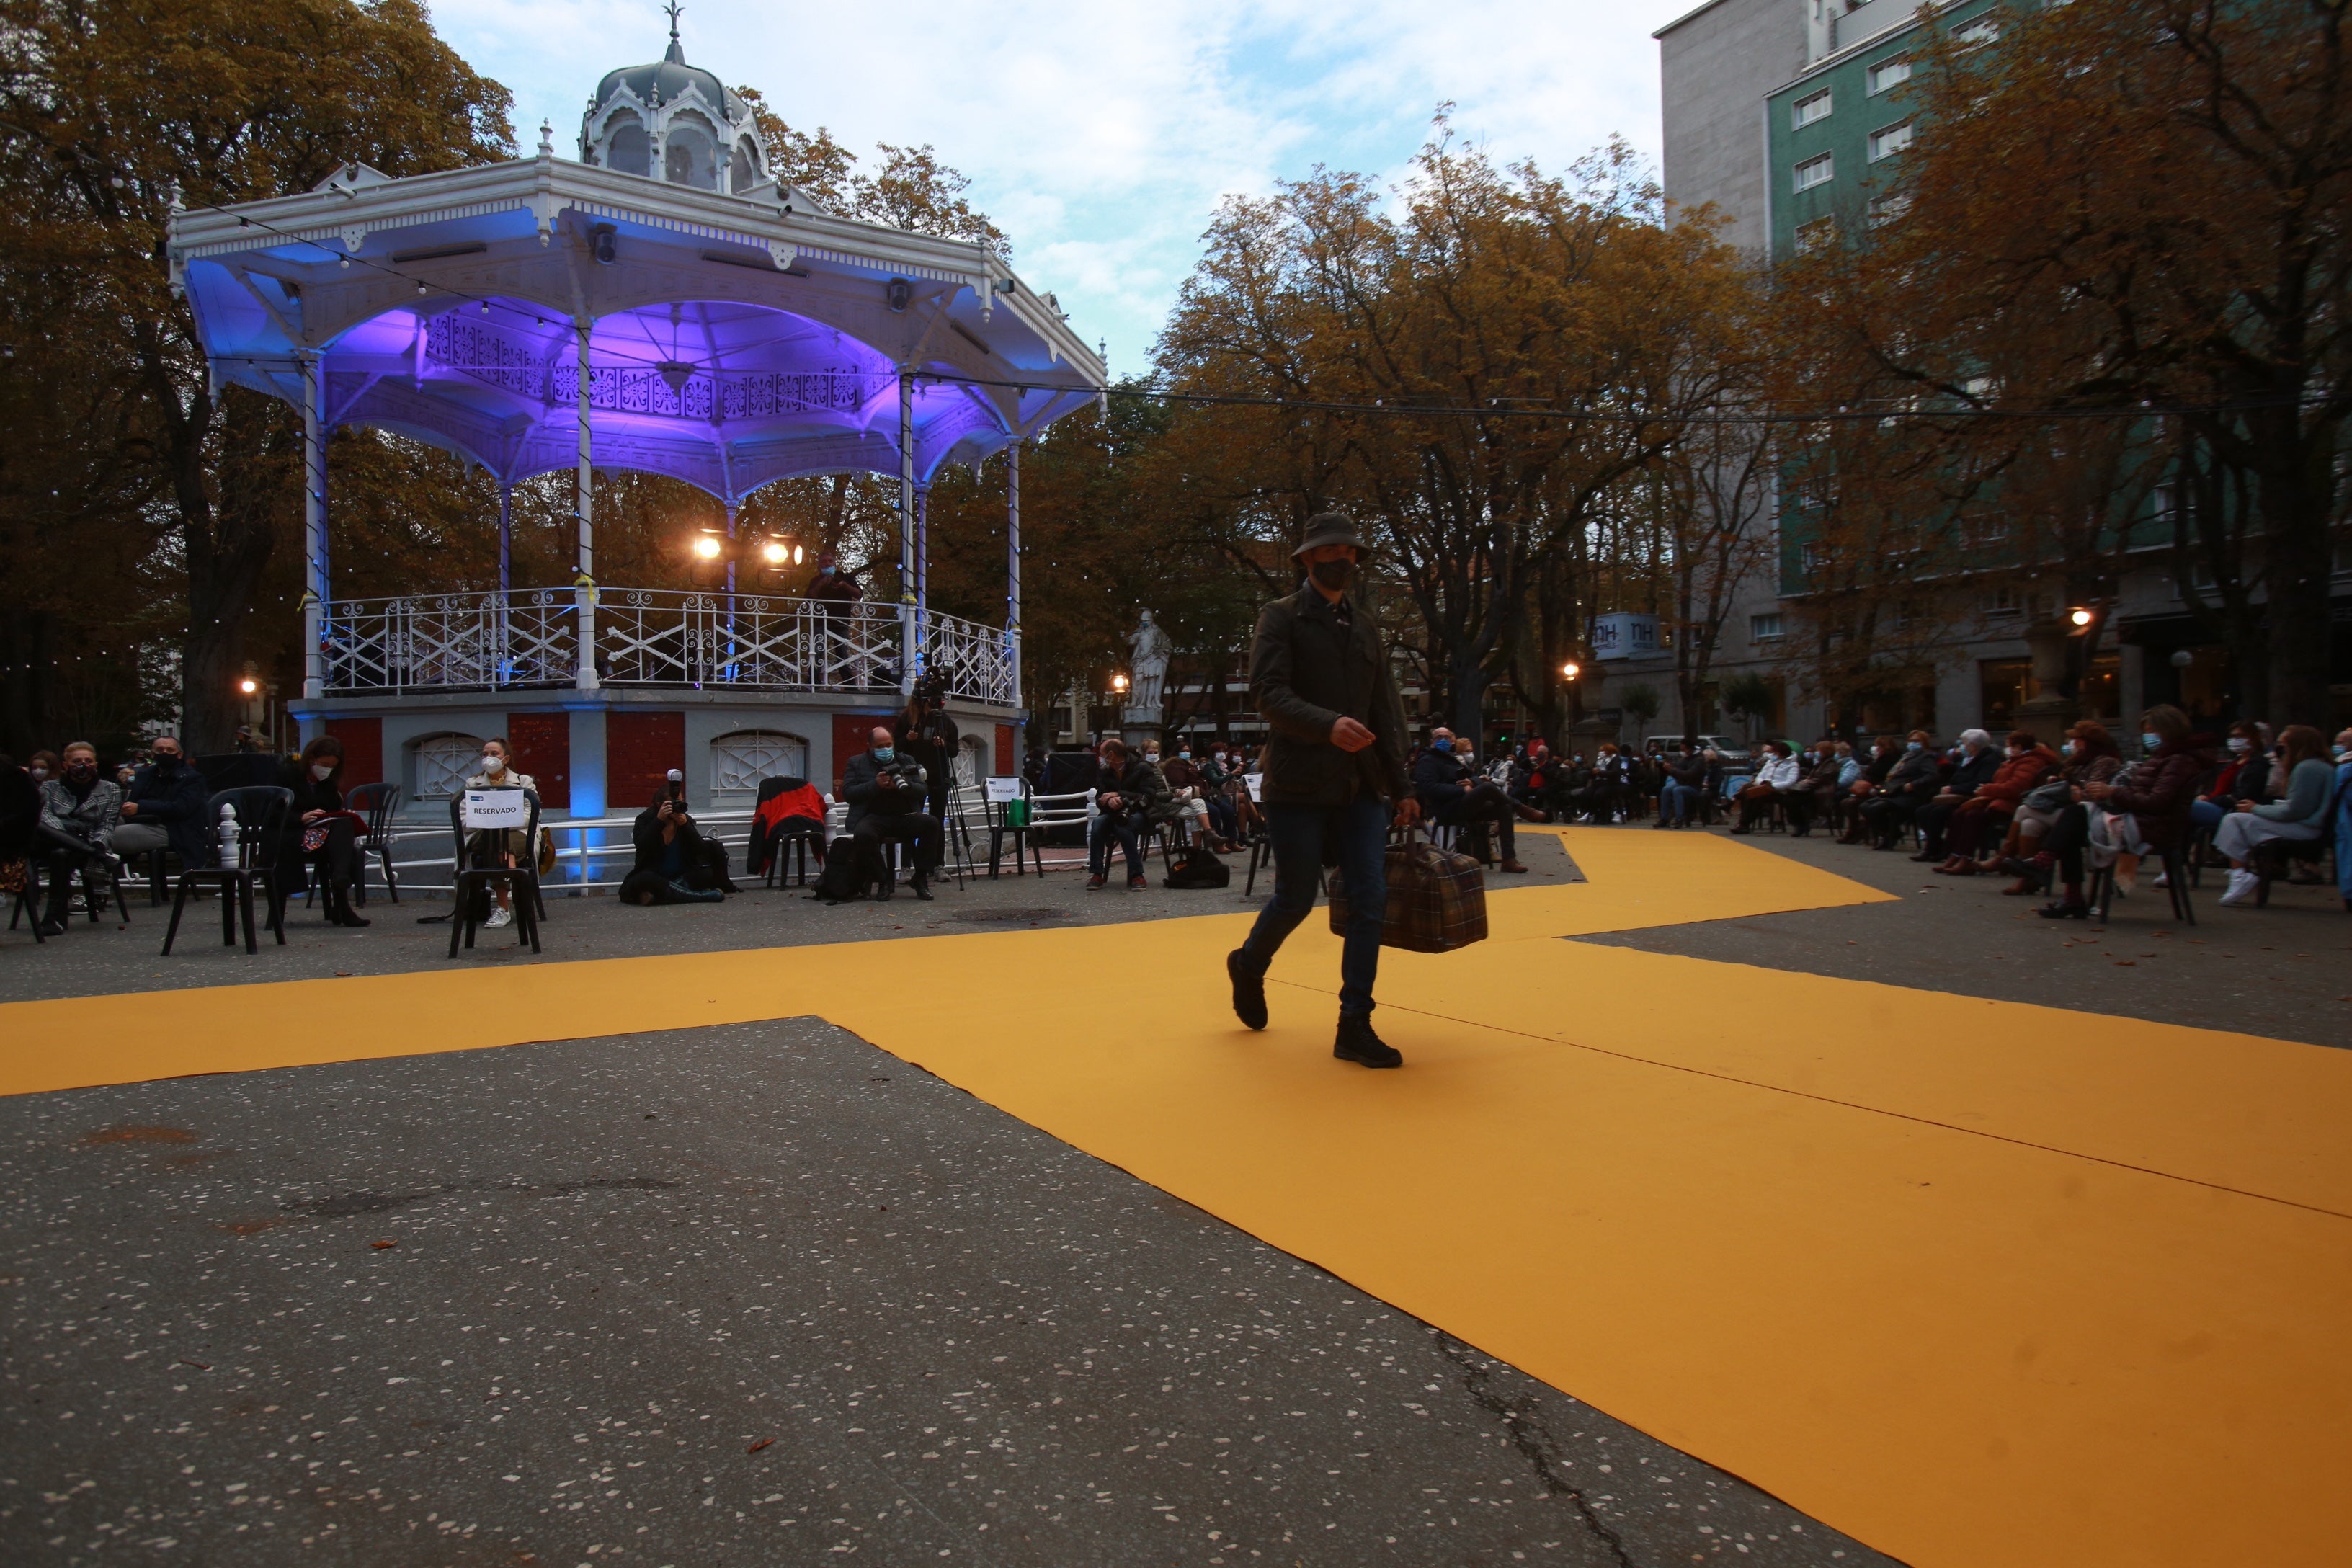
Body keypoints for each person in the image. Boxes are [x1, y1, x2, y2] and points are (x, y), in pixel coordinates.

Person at [1226, 512, 1420, 1068]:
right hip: (1296, 782)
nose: (1343, 559)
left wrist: (1402, 784)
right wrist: (1327, 724)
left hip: (1359, 786)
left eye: (1350, 551)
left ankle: (1354, 1022)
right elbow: (1267, 693)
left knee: (1369, 897)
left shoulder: (1365, 628)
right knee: (1296, 899)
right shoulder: (1280, 617)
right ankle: (1248, 964)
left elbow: (1384, 708)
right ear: (1307, 559)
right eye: (1330, 550)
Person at [2036, 705, 2205, 918]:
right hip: (2139, 817)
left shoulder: (2179, 761)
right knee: (2073, 820)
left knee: (2074, 816)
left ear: (2168, 729)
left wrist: (2113, 793)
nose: (2148, 736)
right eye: (2146, 731)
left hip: (2153, 825)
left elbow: (2158, 802)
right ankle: (2065, 887)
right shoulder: (2161, 757)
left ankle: (2049, 868)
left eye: (2152, 730)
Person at [2213, 725, 2335, 906]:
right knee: (2236, 820)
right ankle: (2238, 874)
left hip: (2306, 828)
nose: (2279, 748)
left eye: (2283, 744)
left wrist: (2256, 809)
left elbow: (2296, 811)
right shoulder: (2317, 766)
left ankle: (2238, 875)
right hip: (2307, 825)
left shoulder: (2307, 768)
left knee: (2234, 819)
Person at [1996, 721, 2122, 894]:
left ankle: (2004, 857)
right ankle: (2027, 878)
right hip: (2068, 810)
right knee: (2029, 824)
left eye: (2075, 740)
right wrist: (2060, 783)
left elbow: (2091, 794)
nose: (2072, 744)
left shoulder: (2105, 763)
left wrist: (2073, 789)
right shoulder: (2079, 762)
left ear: (2085, 742)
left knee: (2024, 810)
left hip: (2087, 815)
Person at [276, 736, 370, 927]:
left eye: (332, 767)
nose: (327, 770)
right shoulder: (287, 776)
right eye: (324, 764)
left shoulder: (327, 783)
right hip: (291, 833)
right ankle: (342, 898)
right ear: (312, 759)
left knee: (343, 824)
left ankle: (340, 880)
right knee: (344, 845)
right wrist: (301, 817)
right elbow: (273, 812)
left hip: (320, 835)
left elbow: (331, 809)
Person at [1932, 730, 2055, 874]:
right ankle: (1955, 856)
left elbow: (2015, 788)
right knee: (1960, 813)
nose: (2007, 749)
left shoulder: (2030, 762)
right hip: (1998, 800)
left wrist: (1987, 789)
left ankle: (1966, 859)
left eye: (2009, 745)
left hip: (2011, 804)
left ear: (2018, 747)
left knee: (1973, 816)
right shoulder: (2014, 761)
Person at [33, 740, 122, 935]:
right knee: (45, 833)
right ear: (65, 766)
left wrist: (97, 845)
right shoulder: (49, 788)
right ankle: (100, 857)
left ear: (96, 765)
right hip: (49, 842)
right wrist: (68, 835)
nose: (83, 765)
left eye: (88, 761)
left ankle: (53, 918)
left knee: (62, 853)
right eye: (77, 761)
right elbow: (46, 818)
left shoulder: (110, 789)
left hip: (88, 844)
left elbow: (107, 824)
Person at [842, 726, 939, 899]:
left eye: (888, 744)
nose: (885, 749)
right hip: (873, 817)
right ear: (870, 746)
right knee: (863, 834)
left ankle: (920, 878)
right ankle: (883, 879)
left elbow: (923, 790)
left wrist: (904, 787)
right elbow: (849, 793)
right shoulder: (856, 763)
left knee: (931, 823)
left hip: (904, 817)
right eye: (880, 747)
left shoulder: (907, 760)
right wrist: (875, 785)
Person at [1413, 732, 1528, 873]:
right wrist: (1460, 790)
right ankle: (1521, 808)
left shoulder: (1453, 759)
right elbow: (1429, 788)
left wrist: (1471, 782)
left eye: (1447, 737)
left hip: (1465, 805)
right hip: (1447, 808)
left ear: (1453, 742)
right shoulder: (1427, 761)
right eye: (1439, 737)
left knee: (1504, 808)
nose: (1443, 740)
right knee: (1487, 787)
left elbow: (1475, 777)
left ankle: (1509, 859)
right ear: (1432, 741)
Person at [462, 738, 539, 930]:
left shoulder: (523, 781)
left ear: (505, 759)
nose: (488, 758)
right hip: (481, 837)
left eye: (494, 754)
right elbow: (464, 818)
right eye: (485, 754)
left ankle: (503, 907)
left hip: (519, 836)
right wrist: (493, 823)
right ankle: (510, 878)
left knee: (501, 840)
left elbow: (532, 813)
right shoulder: (472, 784)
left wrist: (503, 823)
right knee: (496, 839)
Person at [623, 770, 729, 905]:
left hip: (681, 875)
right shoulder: (645, 820)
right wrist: (659, 821)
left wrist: (685, 826)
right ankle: (700, 896)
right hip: (654, 875)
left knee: (705, 873)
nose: (675, 807)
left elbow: (700, 849)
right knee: (644, 879)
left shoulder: (684, 821)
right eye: (671, 804)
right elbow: (642, 845)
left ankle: (661, 896)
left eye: (679, 803)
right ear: (659, 805)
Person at [113, 734, 215, 876]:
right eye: (160, 750)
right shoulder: (145, 775)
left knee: (105, 837)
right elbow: (133, 800)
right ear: (152, 754)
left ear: (179, 755)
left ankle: (99, 883)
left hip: (173, 828)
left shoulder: (192, 779)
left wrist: (141, 807)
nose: (165, 753)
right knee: (102, 826)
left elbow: (182, 808)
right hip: (141, 820)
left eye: (170, 750)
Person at [1086, 736, 1170, 888]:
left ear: (1111, 755)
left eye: (1102, 753)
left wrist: (1120, 796)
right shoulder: (1105, 771)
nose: (1100, 757)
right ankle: (1097, 874)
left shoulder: (1142, 767)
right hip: (1113, 812)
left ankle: (1137, 875)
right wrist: (1108, 801)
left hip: (1141, 812)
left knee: (1123, 826)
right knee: (1097, 824)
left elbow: (1148, 797)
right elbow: (1100, 796)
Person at [1912, 729, 2000, 861]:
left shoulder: (1988, 760)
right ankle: (1936, 845)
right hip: (1955, 795)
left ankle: (1938, 850)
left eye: (1964, 743)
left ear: (1973, 745)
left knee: (1938, 813)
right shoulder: (1967, 759)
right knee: (1922, 811)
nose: (1961, 747)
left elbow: (1981, 782)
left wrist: (1954, 788)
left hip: (1969, 797)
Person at [1859, 731, 1941, 850]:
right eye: (1911, 741)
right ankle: (1891, 833)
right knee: (1865, 807)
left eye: (1917, 741)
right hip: (1894, 791)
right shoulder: (1906, 757)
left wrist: (1913, 784)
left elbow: (1932, 775)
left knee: (1875, 809)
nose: (1913, 744)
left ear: (1924, 743)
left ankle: (1891, 835)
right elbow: (1893, 776)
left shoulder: (1926, 757)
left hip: (1909, 795)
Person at [1158, 740, 1231, 852]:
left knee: (1227, 809)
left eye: (1188, 751)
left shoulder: (1190, 765)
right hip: (1187, 796)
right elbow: (1179, 784)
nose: (1186, 753)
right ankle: (1214, 843)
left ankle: (1229, 840)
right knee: (1212, 811)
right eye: (1183, 751)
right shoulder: (1175, 766)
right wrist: (1195, 788)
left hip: (1201, 796)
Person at [1732, 741, 1801, 833]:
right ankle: (1743, 824)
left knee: (1758, 797)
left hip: (1779, 792)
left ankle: (1744, 822)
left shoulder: (1793, 765)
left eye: (1775, 753)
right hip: (1764, 787)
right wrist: (1763, 783)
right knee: (1749, 794)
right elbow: (1760, 776)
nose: (1773, 755)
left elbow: (1790, 782)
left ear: (1781, 753)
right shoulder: (1770, 763)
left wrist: (1772, 786)